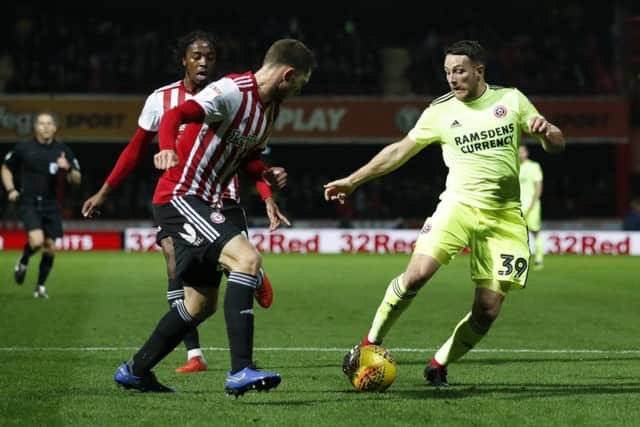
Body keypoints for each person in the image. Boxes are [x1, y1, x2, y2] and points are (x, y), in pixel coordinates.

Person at [325, 40, 565, 386]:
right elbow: (398, 152)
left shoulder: (511, 100)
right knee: (417, 275)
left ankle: (439, 363)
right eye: (448, 72)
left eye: (460, 71)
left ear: (479, 71)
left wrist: (548, 134)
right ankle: (367, 344)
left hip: (505, 217)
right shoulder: (439, 111)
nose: (452, 78)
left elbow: (557, 144)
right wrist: (353, 180)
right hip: (457, 205)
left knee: (487, 309)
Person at [113, 38, 316, 395]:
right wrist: (165, 150)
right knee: (247, 258)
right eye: (301, 83)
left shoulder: (269, 109)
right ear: (287, 74)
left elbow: (246, 156)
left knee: (199, 303)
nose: (300, 91)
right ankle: (241, 371)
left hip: (208, 202)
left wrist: (265, 175)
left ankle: (135, 370)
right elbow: (176, 114)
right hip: (182, 195)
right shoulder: (230, 91)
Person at [2, 111, 82, 299]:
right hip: (29, 202)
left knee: (50, 247)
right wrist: (11, 189)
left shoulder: (62, 150)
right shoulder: (24, 148)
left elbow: (77, 179)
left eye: (49, 123)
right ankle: (23, 261)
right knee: (37, 241)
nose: (45, 127)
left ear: (54, 128)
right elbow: (6, 168)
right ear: (35, 127)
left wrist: (68, 168)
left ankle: (40, 287)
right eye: (41, 123)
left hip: (51, 204)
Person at [518, 145, 544, 269]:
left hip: (532, 205)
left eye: (522, 151)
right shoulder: (514, 167)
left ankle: (539, 258)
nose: (520, 154)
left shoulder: (534, 166)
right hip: (517, 206)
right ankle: (520, 259)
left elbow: (538, 186)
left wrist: (533, 204)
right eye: (518, 152)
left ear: (526, 153)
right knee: (517, 233)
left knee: (535, 231)